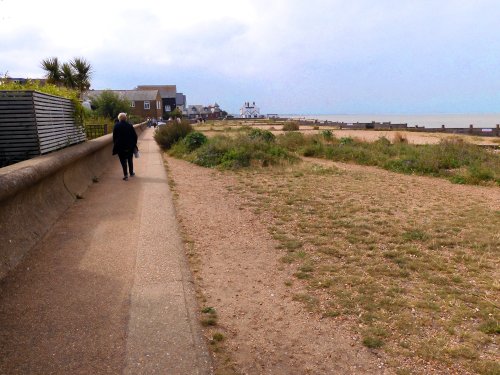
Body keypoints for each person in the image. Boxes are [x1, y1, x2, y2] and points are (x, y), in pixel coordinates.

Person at [112, 112, 138, 181]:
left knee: (123, 161)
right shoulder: (130, 125)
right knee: (130, 159)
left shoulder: (116, 126)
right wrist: (133, 144)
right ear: (125, 118)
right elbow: (135, 136)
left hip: (120, 147)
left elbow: (114, 137)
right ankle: (131, 173)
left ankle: (125, 175)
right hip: (129, 146)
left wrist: (116, 144)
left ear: (119, 118)